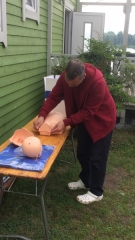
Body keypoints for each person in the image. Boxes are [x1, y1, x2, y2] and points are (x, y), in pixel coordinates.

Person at [34, 59, 116, 204]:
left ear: (83, 77)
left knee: (97, 158)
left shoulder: (97, 82)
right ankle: (85, 180)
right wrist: (42, 115)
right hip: (84, 119)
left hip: (102, 120)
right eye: (68, 83)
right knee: (82, 153)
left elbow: (89, 112)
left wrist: (66, 122)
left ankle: (96, 192)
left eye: (74, 85)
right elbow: (54, 96)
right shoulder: (67, 77)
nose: (70, 87)